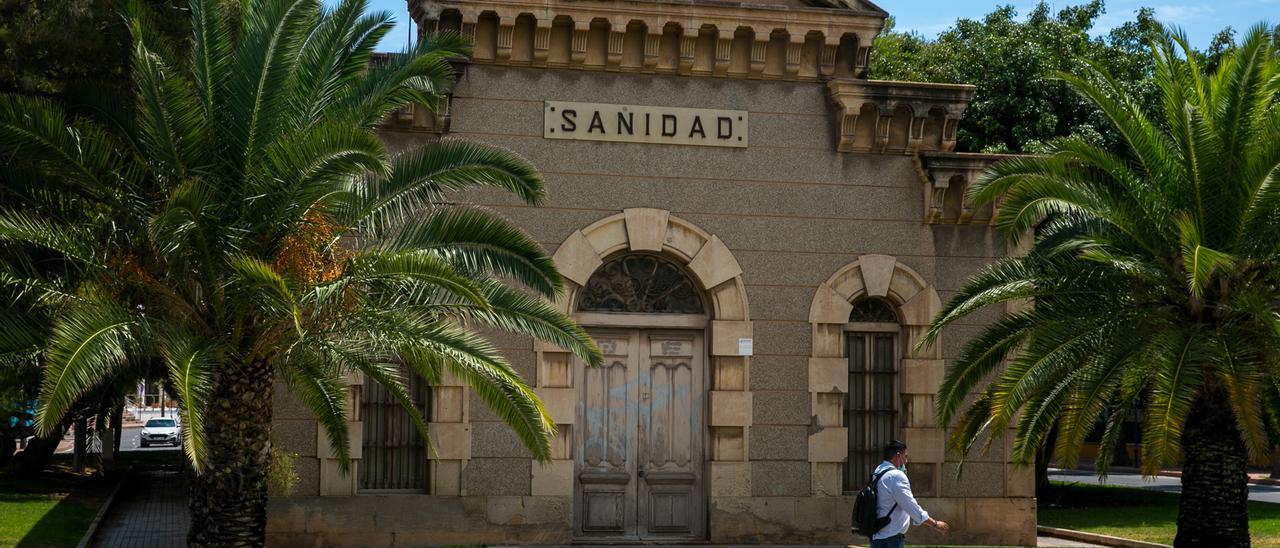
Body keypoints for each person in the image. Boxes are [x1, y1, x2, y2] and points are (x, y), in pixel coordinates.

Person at [871, 440, 949, 548]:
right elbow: (911, 506)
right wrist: (935, 524)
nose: (907, 461)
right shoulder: (896, 476)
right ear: (898, 456)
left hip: (878, 534)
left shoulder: (878, 471)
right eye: (906, 457)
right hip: (891, 537)